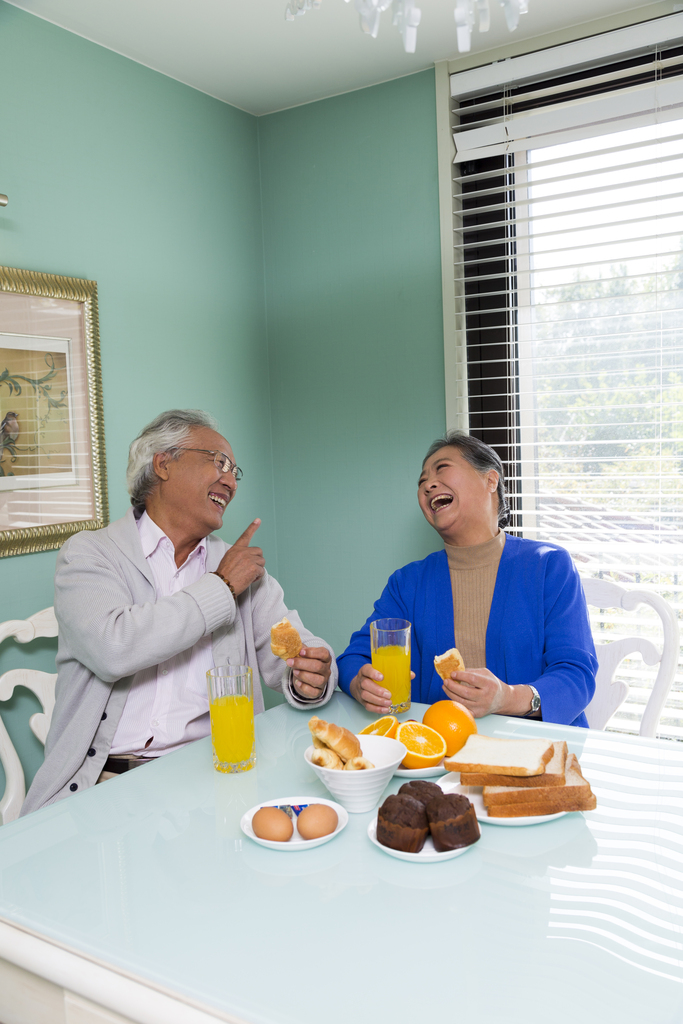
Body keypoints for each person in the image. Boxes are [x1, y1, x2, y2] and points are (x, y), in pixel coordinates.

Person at [22, 410, 336, 814]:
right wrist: (221, 588)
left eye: (235, 471)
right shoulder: (89, 553)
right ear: (163, 463)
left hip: (214, 777)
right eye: (218, 462)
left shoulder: (236, 564)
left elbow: (292, 649)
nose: (230, 480)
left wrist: (312, 674)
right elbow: (113, 647)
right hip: (104, 785)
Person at [337, 431, 597, 727]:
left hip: (537, 751)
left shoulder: (550, 566)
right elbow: (352, 659)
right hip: (440, 751)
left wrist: (507, 697)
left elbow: (577, 675)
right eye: (422, 482)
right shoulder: (407, 582)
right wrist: (360, 683)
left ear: (490, 480)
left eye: (442, 468)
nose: (428, 485)